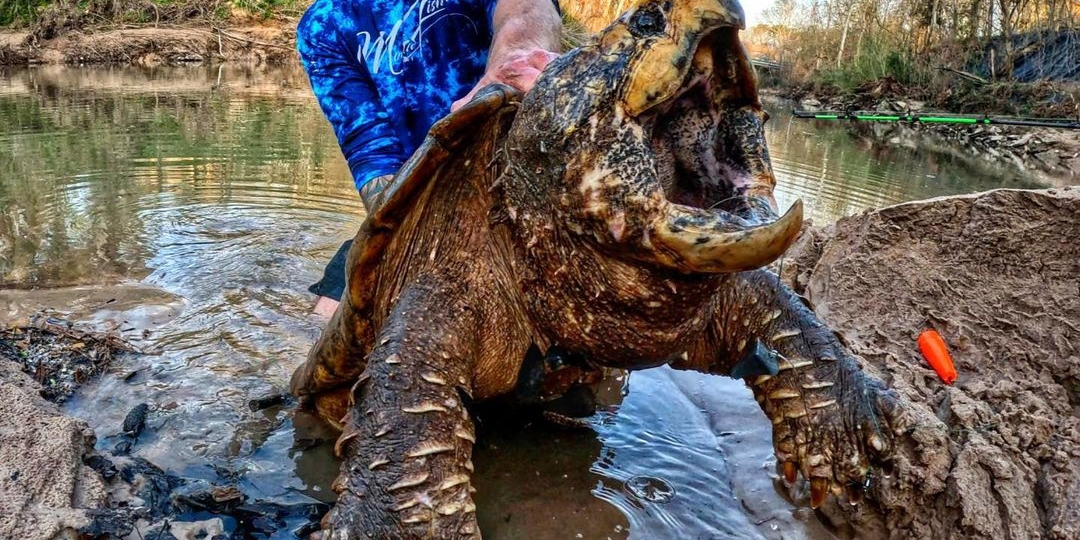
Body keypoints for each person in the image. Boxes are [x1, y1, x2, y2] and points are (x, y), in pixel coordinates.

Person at [297, 0, 563, 319]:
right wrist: (430, 238)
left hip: (529, 192)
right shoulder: (324, 25)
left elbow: (525, 9)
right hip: (424, 204)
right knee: (324, 319)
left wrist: (517, 58)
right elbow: (373, 155)